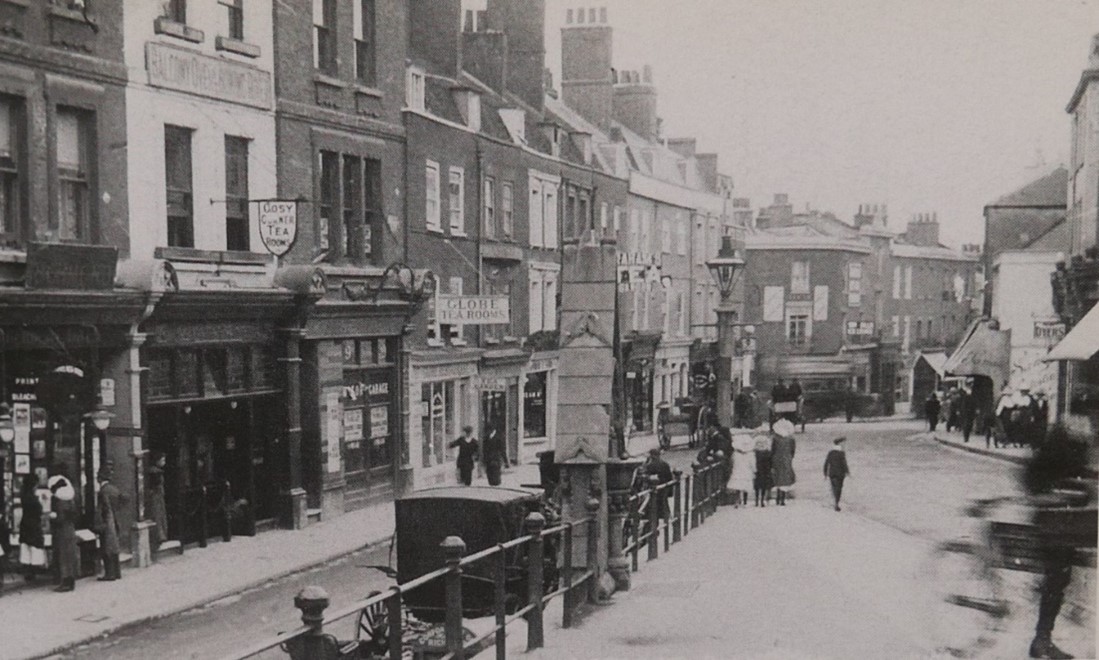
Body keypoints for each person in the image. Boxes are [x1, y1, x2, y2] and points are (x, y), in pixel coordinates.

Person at [1022, 423, 1096, 659]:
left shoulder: (1055, 457)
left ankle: (1046, 633)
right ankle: (1041, 639)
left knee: (1062, 576)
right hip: (1052, 534)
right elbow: (1039, 494)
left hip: (1060, 532)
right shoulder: (1055, 460)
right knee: (1057, 578)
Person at [48, 471, 78, 592]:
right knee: (69, 555)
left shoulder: (60, 502)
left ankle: (65, 581)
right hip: (70, 528)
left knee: (63, 556)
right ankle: (70, 581)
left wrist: (52, 517)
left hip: (62, 530)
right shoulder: (71, 500)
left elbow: (60, 519)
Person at [96, 467, 123, 581]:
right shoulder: (114, 489)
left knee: (107, 547)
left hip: (107, 520)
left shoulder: (103, 491)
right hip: (116, 519)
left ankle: (110, 573)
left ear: (100, 478)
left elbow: (103, 507)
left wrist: (100, 521)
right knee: (114, 546)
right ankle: (117, 572)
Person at [17, 475, 45, 582]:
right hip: (33, 524)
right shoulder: (33, 498)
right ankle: (34, 569)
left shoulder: (24, 495)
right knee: (34, 545)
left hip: (25, 523)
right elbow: (39, 510)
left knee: (26, 546)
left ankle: (28, 570)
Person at [770, 418, 797, 506]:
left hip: (777, 458)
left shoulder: (775, 438)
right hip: (787, 458)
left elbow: (773, 450)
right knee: (785, 477)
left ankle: (778, 496)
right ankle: (782, 498)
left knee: (778, 476)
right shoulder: (791, 439)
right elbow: (793, 450)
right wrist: (790, 457)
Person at [643, 447, 675, 519]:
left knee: (653, 504)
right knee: (664, 503)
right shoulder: (665, 464)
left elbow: (646, 476)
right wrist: (670, 491)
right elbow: (670, 477)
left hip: (655, 489)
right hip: (664, 488)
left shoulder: (650, 466)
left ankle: (653, 518)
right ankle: (666, 517)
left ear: (651, 456)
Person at [823, 437, 851, 511]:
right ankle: (836, 503)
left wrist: (825, 473)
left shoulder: (830, 452)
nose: (844, 444)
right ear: (840, 443)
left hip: (832, 473)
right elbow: (844, 464)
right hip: (840, 474)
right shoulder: (841, 453)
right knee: (839, 489)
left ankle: (835, 502)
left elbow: (826, 463)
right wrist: (848, 472)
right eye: (843, 443)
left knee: (834, 488)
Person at [148, 452, 169, 549]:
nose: (164, 462)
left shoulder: (155, 471)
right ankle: (160, 536)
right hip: (157, 496)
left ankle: (161, 535)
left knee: (158, 514)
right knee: (158, 515)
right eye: (162, 460)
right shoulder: (156, 472)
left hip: (157, 495)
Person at [729, 434, 756, 507]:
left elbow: (732, 462)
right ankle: (745, 501)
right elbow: (752, 464)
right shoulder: (750, 454)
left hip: (737, 471)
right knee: (745, 488)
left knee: (737, 487)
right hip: (746, 472)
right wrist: (754, 470)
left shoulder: (735, 454)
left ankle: (737, 501)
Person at [753, 434, 774, 507]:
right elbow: (771, 462)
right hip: (766, 471)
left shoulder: (755, 453)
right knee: (764, 486)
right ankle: (762, 500)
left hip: (757, 471)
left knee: (757, 486)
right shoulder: (768, 452)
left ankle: (756, 500)